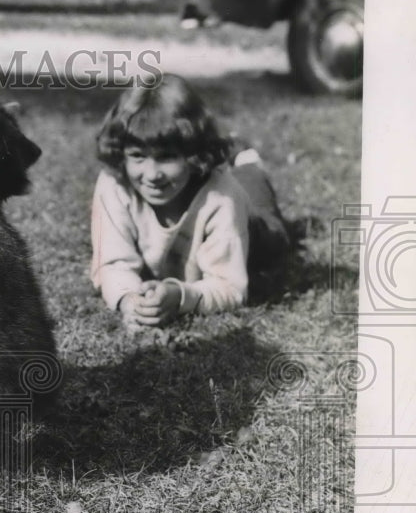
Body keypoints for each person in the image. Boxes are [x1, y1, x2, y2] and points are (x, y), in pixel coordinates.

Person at [90, 74, 291, 328]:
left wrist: (181, 296)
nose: (152, 175)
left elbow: (230, 286)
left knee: (259, 203)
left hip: (256, 232)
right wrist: (130, 300)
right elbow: (111, 264)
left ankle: (245, 158)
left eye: (167, 157)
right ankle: (232, 150)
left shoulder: (222, 195)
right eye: (138, 156)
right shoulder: (113, 183)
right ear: (122, 153)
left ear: (192, 153)